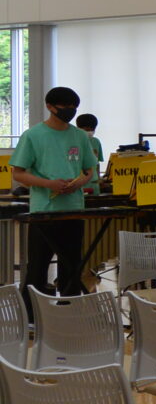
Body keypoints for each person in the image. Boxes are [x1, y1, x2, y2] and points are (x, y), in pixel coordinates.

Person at [11, 87, 99, 313]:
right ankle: (31, 314)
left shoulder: (80, 136)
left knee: (72, 266)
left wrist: (79, 182)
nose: (70, 111)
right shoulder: (33, 135)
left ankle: (69, 311)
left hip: (74, 209)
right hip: (44, 211)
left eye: (74, 107)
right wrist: (48, 184)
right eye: (65, 107)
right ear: (50, 107)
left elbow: (89, 170)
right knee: (38, 266)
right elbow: (18, 173)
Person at [74, 113, 103, 194]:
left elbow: (97, 163)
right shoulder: (73, 142)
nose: (90, 132)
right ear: (78, 128)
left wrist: (98, 179)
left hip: (94, 183)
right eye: (86, 130)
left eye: (92, 129)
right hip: (79, 183)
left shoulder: (96, 141)